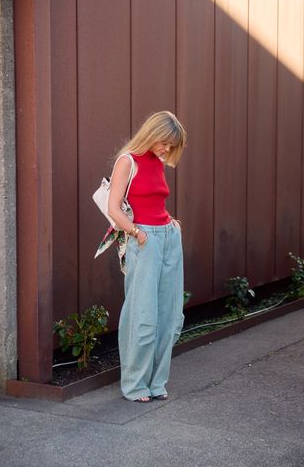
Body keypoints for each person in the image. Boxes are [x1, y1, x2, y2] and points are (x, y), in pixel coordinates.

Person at [108, 110, 187, 403]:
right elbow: (114, 207)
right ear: (152, 133)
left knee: (170, 313)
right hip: (143, 241)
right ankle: (135, 384)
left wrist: (171, 224)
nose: (167, 149)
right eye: (164, 142)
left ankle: (156, 382)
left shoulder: (158, 162)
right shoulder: (128, 161)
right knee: (142, 313)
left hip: (168, 237)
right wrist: (136, 233)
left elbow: (155, 201)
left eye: (171, 145)